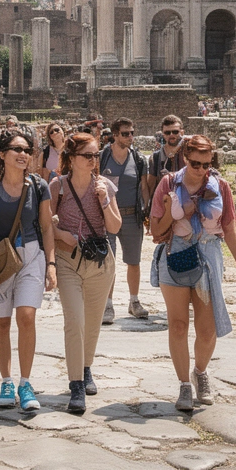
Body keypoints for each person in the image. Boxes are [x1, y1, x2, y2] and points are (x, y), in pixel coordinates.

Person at [149, 134, 236, 411]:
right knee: (178, 324)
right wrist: (176, 211)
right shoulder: (169, 183)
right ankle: (184, 384)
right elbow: (156, 230)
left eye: (207, 163)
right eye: (195, 163)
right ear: (185, 157)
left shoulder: (220, 185)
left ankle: (200, 372)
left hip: (208, 254)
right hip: (177, 253)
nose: (201, 169)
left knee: (207, 331)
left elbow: (229, 227)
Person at [0, 130, 56, 412]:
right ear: (2, 154)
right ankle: (6, 380)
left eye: (27, 150)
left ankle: (26, 382)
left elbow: (46, 226)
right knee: (1, 323)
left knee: (27, 316)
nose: (24, 155)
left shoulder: (39, 185)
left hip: (32, 255)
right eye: (17, 150)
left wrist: (52, 264)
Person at [50, 131, 121, 413]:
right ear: (71, 157)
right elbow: (45, 226)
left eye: (96, 156)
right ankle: (76, 383)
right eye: (87, 156)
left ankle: (87, 366)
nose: (93, 161)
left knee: (92, 322)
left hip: (100, 263)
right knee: (75, 321)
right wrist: (62, 236)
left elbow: (114, 227)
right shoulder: (58, 187)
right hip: (68, 261)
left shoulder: (104, 186)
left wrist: (104, 200)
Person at [99, 117, 150, 322]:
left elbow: (144, 187)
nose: (130, 137)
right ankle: (107, 304)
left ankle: (134, 301)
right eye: (125, 133)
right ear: (115, 135)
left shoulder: (138, 159)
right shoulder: (103, 157)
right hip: (107, 216)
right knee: (108, 261)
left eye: (132, 132)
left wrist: (147, 213)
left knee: (134, 261)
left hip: (131, 216)